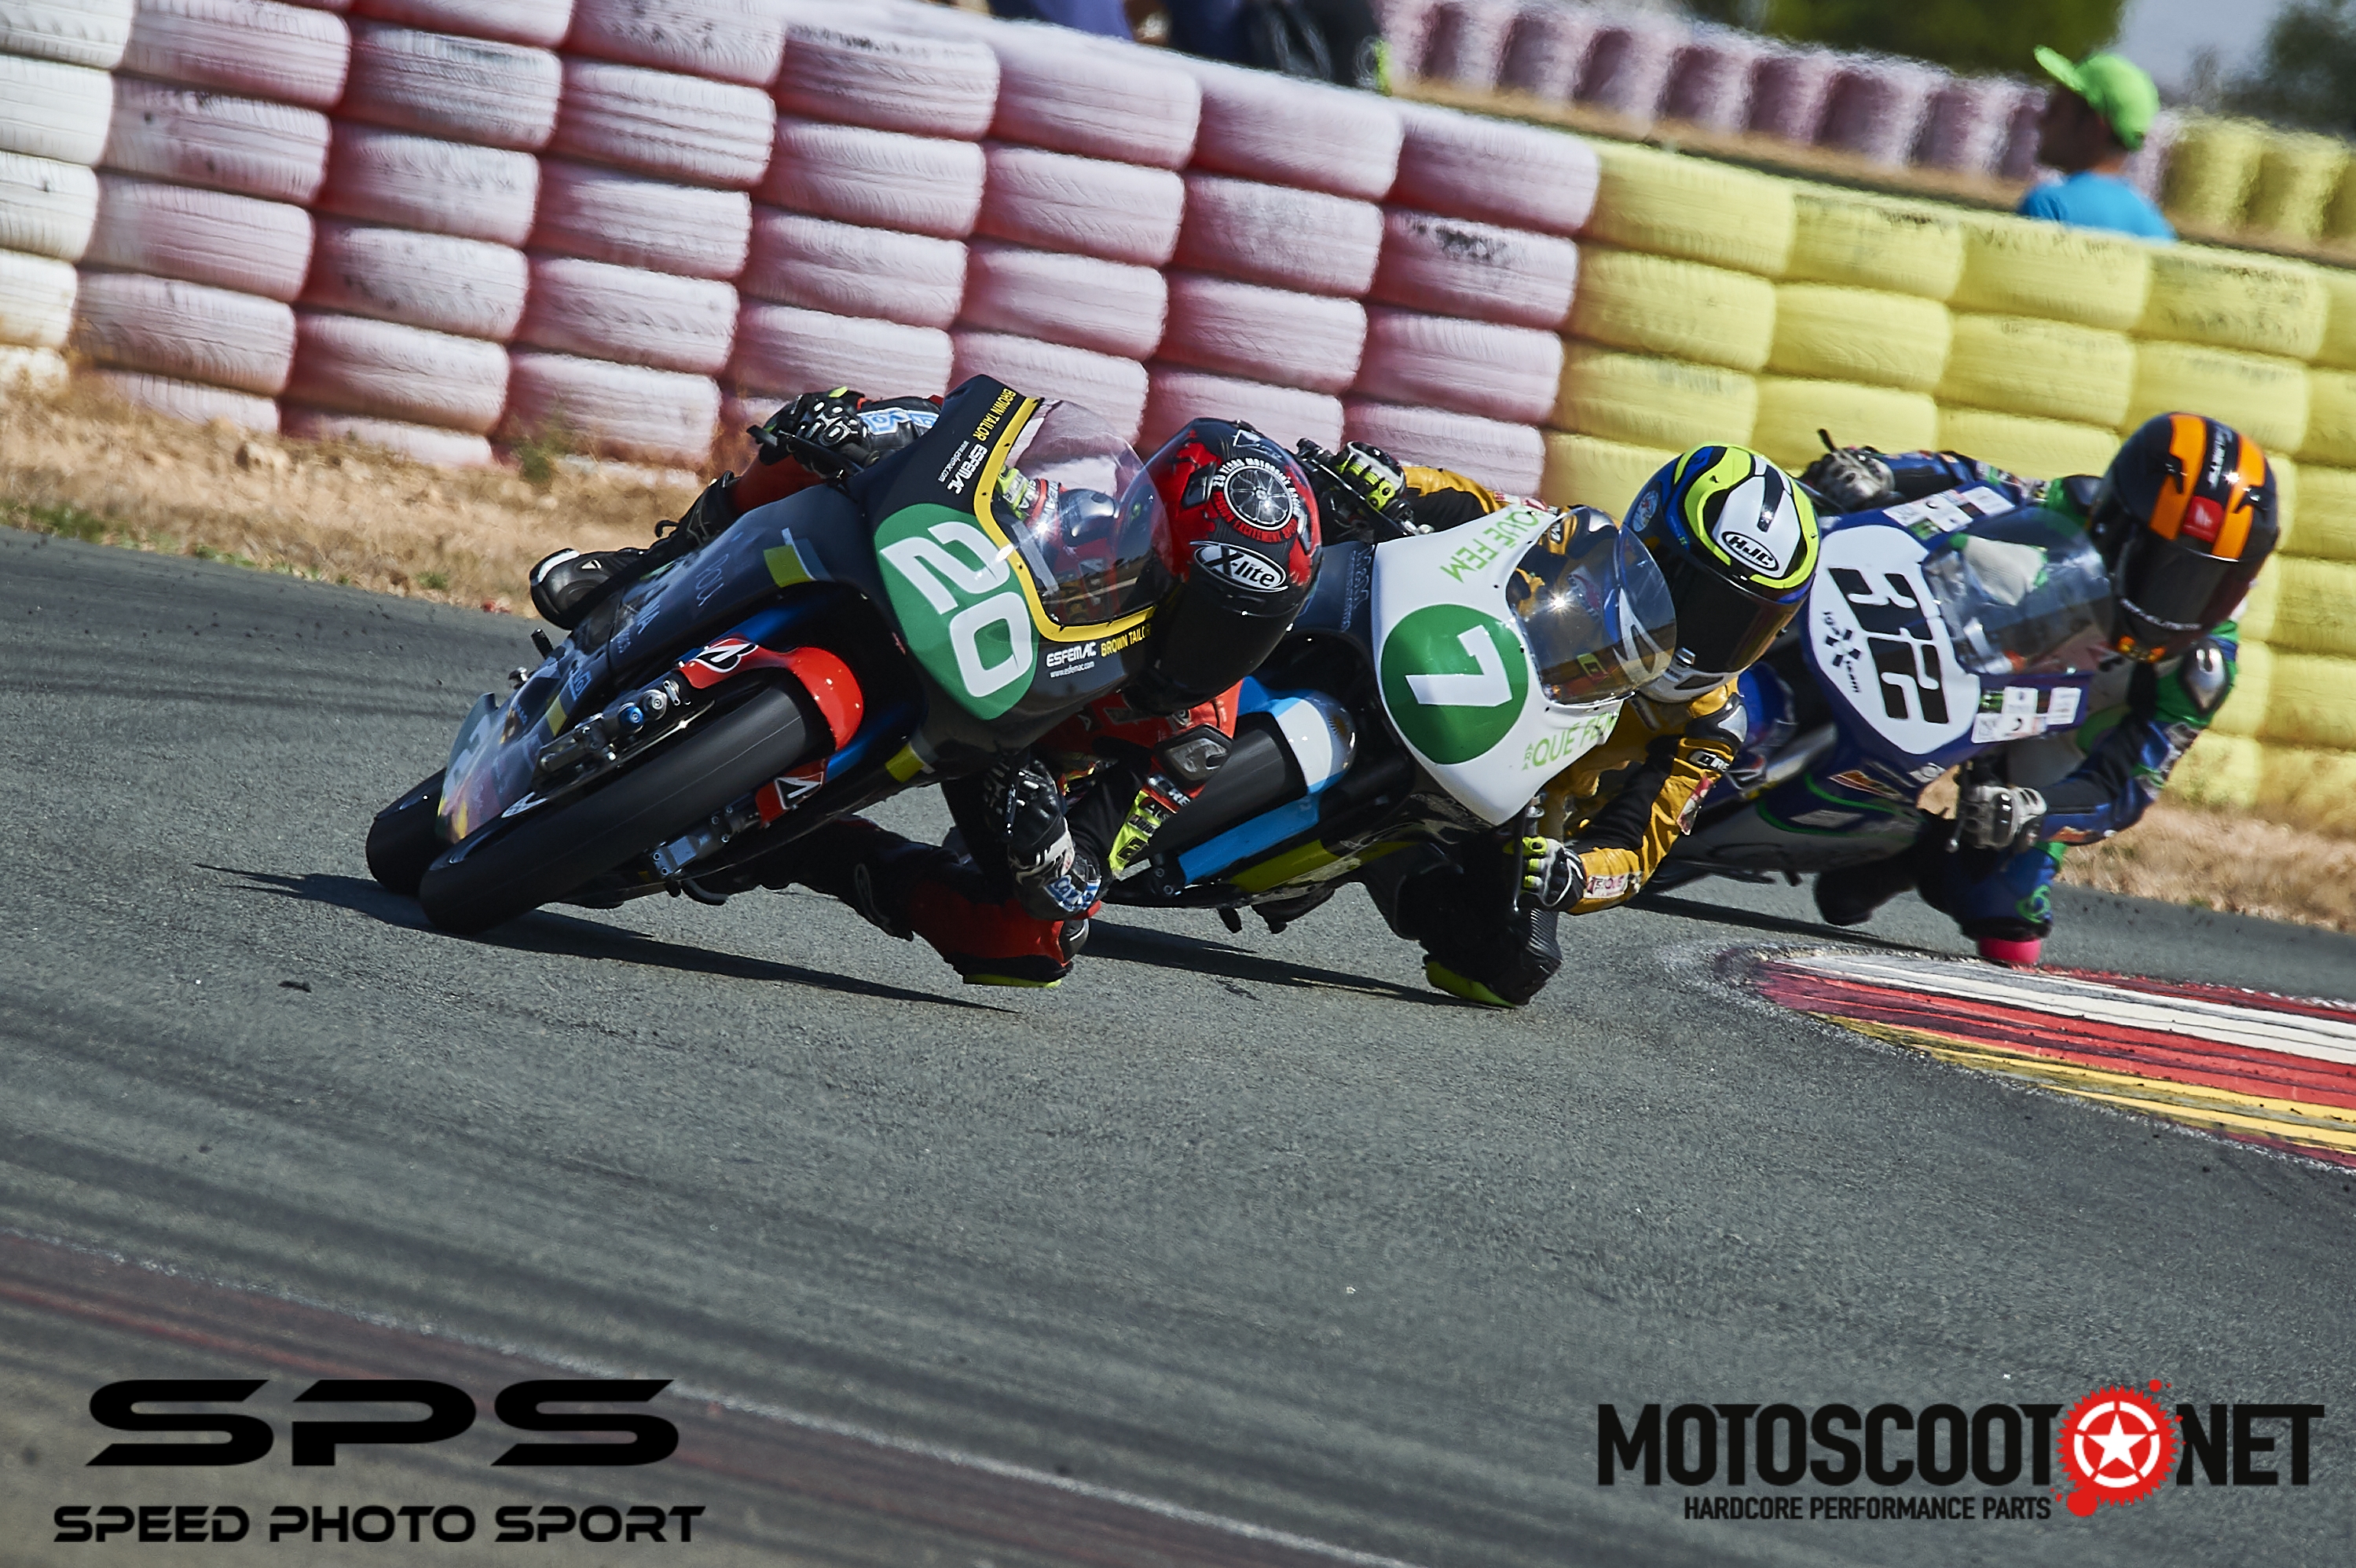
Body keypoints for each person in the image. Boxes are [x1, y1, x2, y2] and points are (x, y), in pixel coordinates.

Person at [534, 388, 1324, 988]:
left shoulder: (1193, 737)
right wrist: (873, 429)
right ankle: (648, 565)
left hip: (1010, 762)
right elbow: (959, 446)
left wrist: (1047, 848)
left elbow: (1091, 870)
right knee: (824, 425)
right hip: (951, 626)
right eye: (1197, 613)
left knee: (1035, 945)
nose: (1208, 652)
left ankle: (805, 849)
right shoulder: (1081, 524)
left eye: (1241, 633)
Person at [1347, 444, 1821, 1007]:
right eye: (1691, 596)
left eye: (1739, 623)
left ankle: (1378, 852)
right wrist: (1397, 480)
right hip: (1439, 660)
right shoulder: (1578, 542)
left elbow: (1638, 848)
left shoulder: (1711, 721)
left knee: (1513, 962)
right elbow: (1479, 506)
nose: (1701, 634)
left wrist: (1574, 873)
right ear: (1647, 541)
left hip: (1522, 795)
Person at [1799, 412, 2279, 964]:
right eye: (2157, 564)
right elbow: (1977, 482)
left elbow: (2121, 789)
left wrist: (2035, 809)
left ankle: (1903, 852)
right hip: (1976, 644)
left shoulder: (2199, 672)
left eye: (2202, 583)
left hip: (2055, 732)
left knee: (2008, 926)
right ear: (2119, 520)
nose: (2171, 601)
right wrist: (1883, 471)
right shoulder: (2078, 504)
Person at [2017, 47, 2173, 241]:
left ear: (2094, 127)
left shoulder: (2048, 207)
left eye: (2056, 109)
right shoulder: (2158, 229)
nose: (2041, 120)